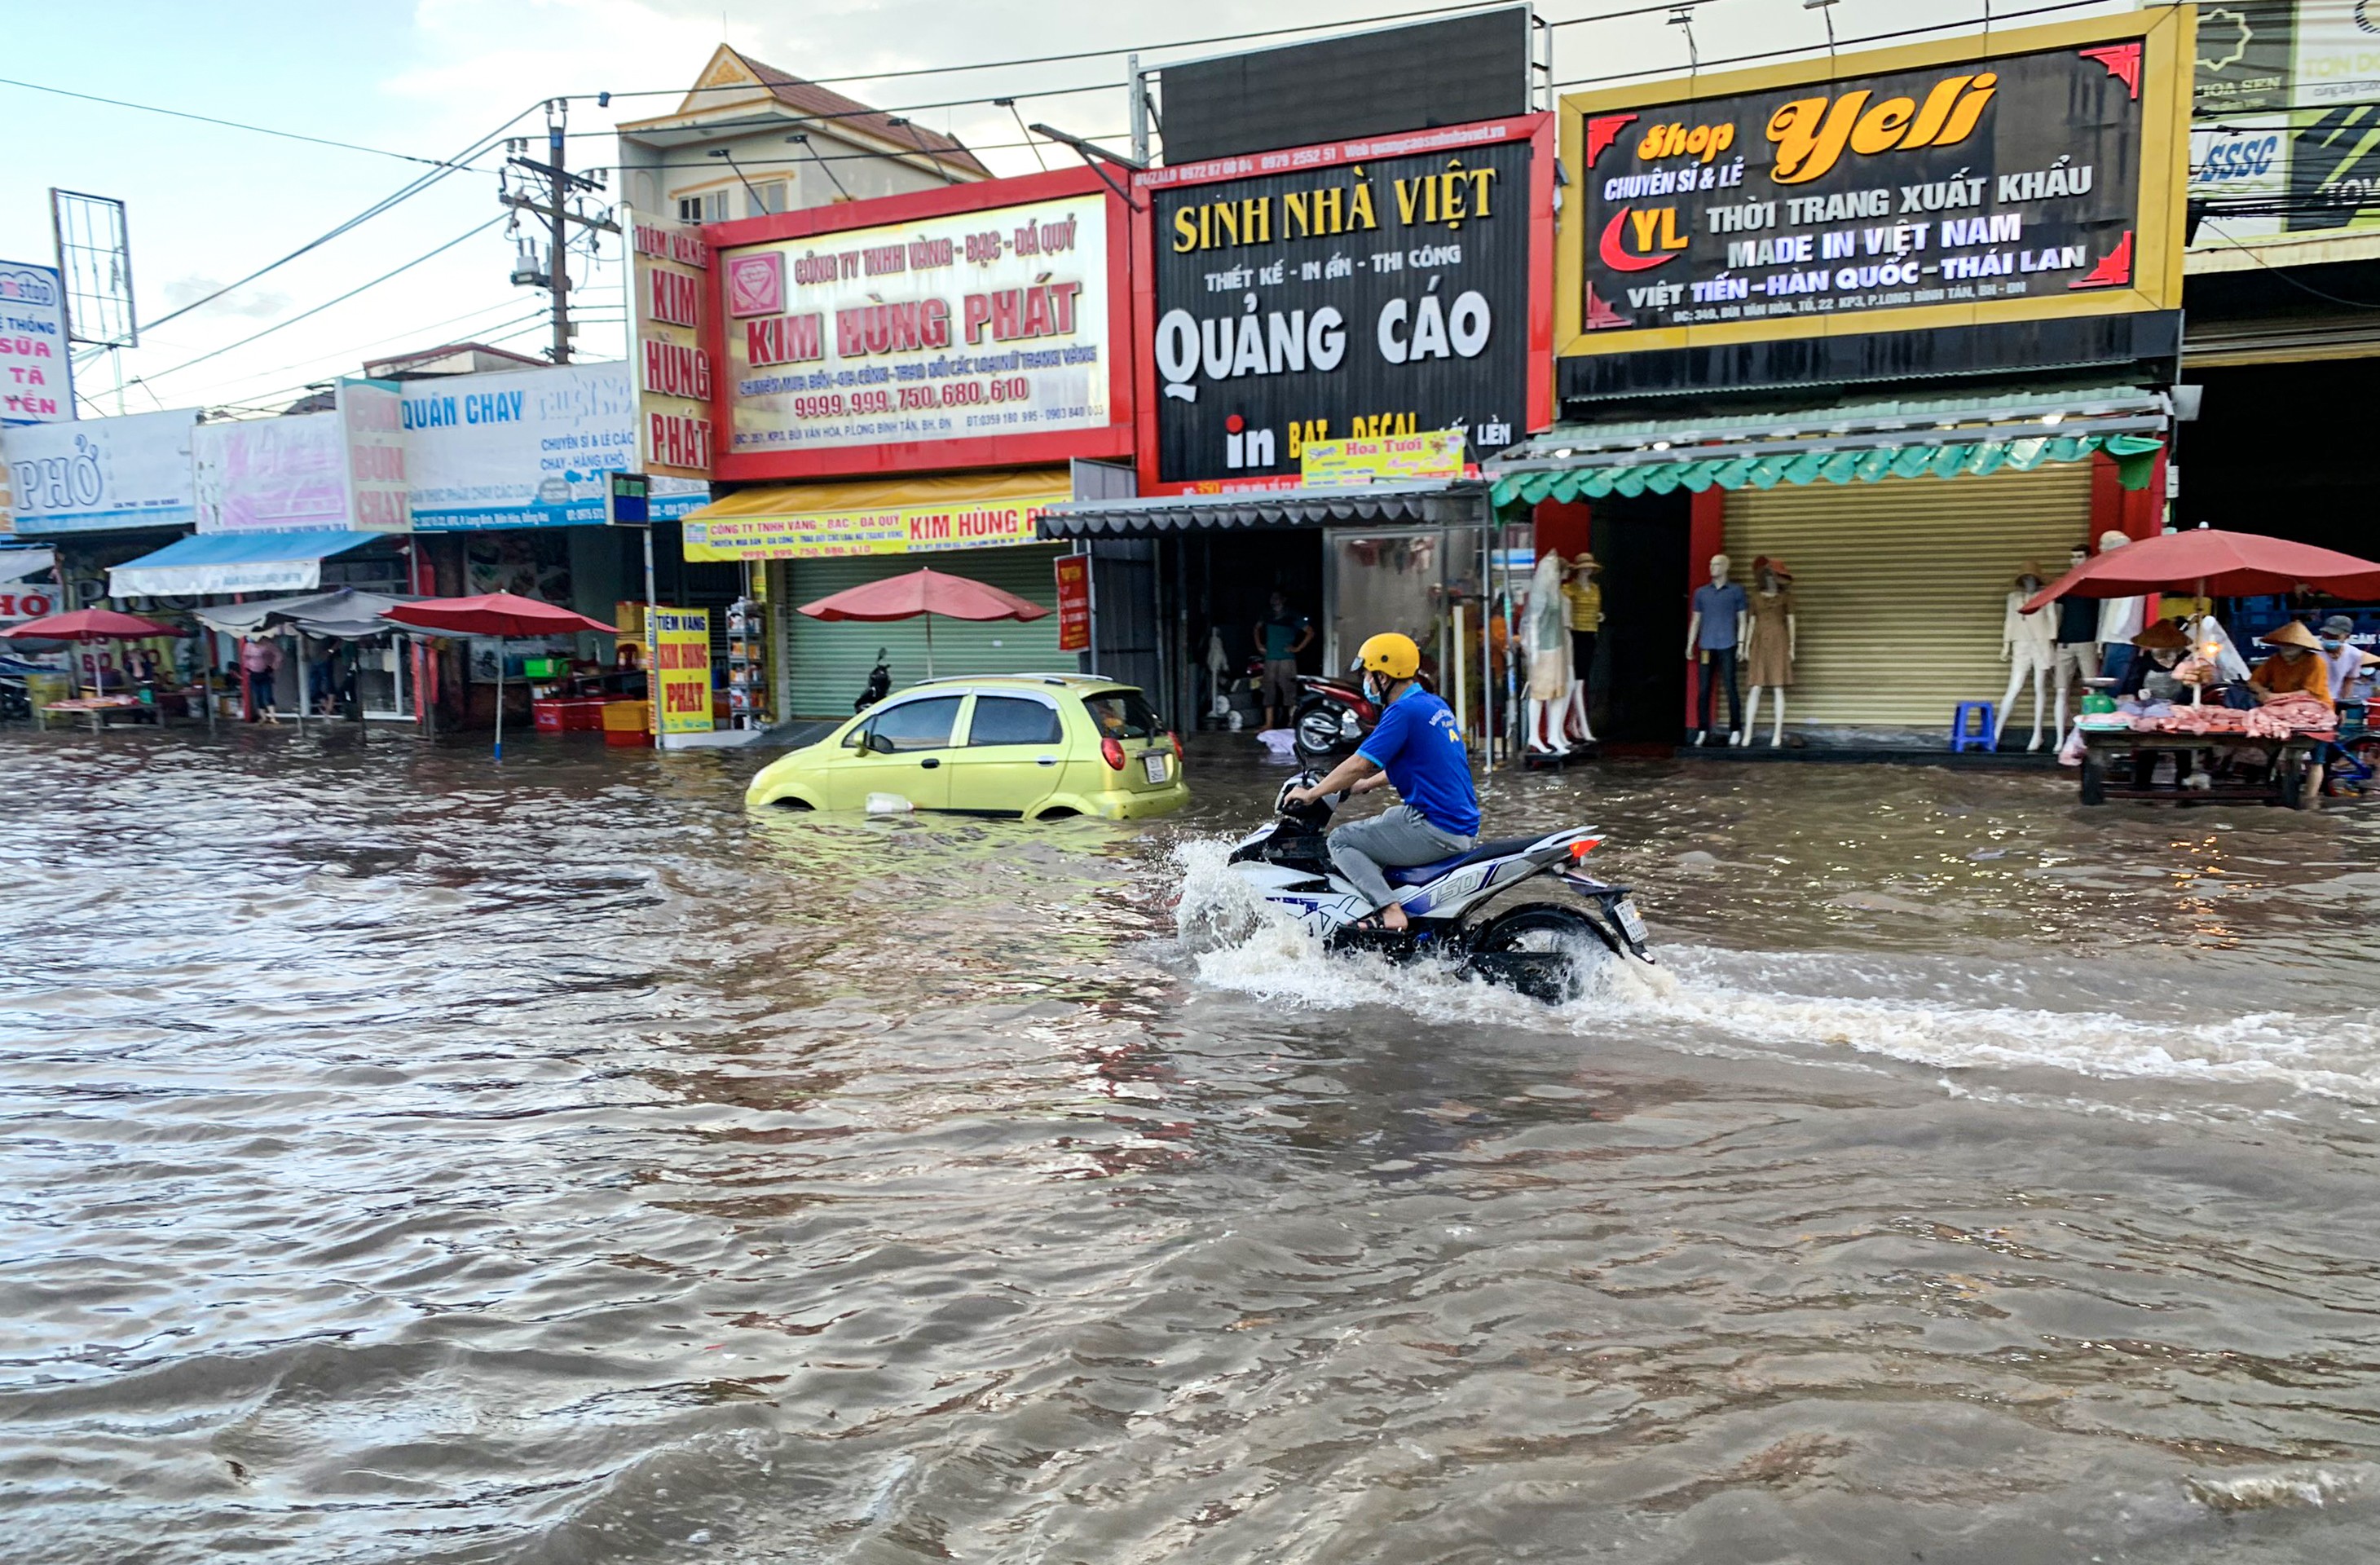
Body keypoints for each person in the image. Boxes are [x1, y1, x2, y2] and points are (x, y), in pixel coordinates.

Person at [1285, 632, 1479, 934]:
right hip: (1456, 822)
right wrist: (1365, 785)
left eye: (1367, 674)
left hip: (1436, 827)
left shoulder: (1402, 712)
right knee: (1388, 818)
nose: (1366, 681)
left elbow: (1360, 763)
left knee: (1341, 840)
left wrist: (1312, 794)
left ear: (1384, 675)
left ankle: (1389, 911)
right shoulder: (1432, 705)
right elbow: (1418, 763)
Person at [1253, 590, 1315, 731]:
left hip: (1287, 658)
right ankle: (1269, 723)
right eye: (1273, 598)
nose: (1275, 601)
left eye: (1277, 598)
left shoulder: (1292, 615)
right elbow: (1256, 629)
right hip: (1270, 657)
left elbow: (1310, 632)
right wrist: (1259, 645)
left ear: (1284, 599)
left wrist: (1297, 648)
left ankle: (1292, 722)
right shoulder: (1267, 614)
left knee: (1289, 690)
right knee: (1269, 689)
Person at [2247, 619, 2334, 710]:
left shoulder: (2316, 662)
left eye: (2292, 645)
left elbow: (2310, 693)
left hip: (2315, 706)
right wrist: (2262, 691)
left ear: (2303, 647)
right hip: (2283, 706)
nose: (2287, 648)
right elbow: (2253, 681)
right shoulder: (2275, 660)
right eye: (2284, 644)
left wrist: (2274, 697)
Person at [240, 635, 284, 725]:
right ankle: (263, 717)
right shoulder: (249, 646)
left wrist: (273, 666)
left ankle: (273, 717)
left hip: (265, 673)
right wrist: (247, 668)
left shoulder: (267, 645)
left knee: (268, 695)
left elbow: (278, 655)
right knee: (258, 696)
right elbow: (245, 658)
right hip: (253, 674)